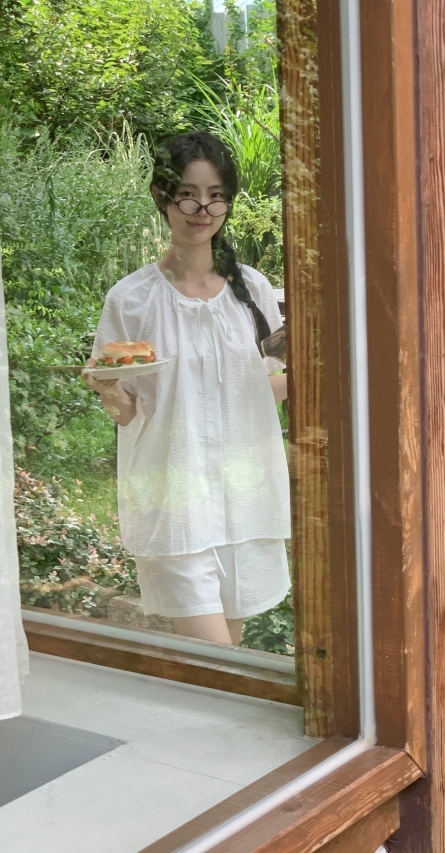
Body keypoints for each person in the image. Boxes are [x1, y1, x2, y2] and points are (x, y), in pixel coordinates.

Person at [84, 130, 290, 646]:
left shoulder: (252, 290)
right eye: (188, 194)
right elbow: (126, 410)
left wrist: (321, 370)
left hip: (244, 499)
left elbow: (256, 389)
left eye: (216, 195)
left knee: (227, 666)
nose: (202, 209)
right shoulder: (132, 299)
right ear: (161, 196)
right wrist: (107, 389)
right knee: (216, 660)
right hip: (173, 502)